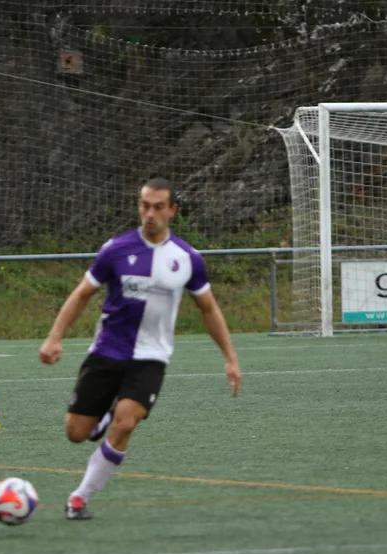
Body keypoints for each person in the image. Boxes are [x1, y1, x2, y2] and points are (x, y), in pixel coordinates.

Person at [38, 177, 241, 519]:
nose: (150, 213)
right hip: (107, 351)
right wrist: (54, 337)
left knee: (126, 422)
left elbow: (208, 309)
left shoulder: (187, 258)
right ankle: (105, 413)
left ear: (172, 210)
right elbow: (82, 294)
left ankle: (80, 497)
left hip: (151, 358)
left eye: (158, 207)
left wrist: (230, 358)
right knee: (76, 433)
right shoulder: (115, 249)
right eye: (145, 206)